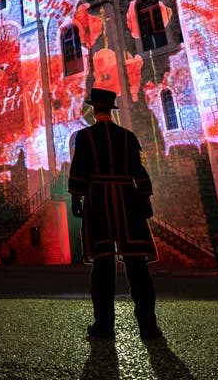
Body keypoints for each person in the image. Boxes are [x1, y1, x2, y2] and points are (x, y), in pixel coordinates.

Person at [68, 87, 162, 340]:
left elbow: (79, 168)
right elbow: (139, 169)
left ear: (93, 109)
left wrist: (76, 197)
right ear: (111, 109)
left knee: (103, 264)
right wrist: (145, 197)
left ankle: (104, 325)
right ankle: (148, 326)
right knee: (136, 265)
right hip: (127, 199)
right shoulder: (128, 137)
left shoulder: (85, 137)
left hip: (99, 199)